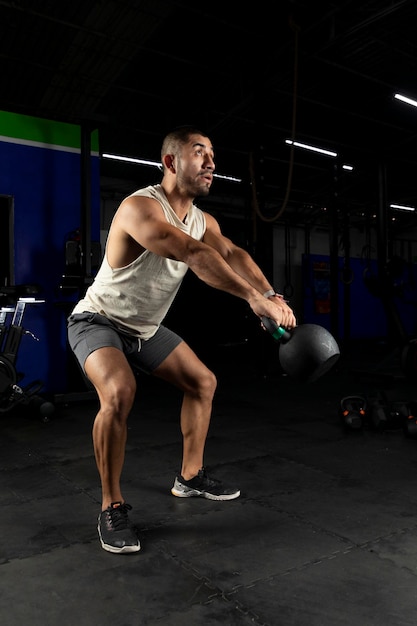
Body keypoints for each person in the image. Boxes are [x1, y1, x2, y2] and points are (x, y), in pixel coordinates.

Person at [67, 126, 296, 554]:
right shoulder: (140, 208)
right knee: (118, 392)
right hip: (97, 321)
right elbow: (193, 254)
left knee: (203, 383)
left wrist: (267, 294)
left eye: (213, 153)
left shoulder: (202, 220)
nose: (211, 162)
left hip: (145, 331)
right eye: (199, 153)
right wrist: (251, 301)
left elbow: (231, 254)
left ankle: (189, 477)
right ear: (171, 162)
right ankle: (110, 506)